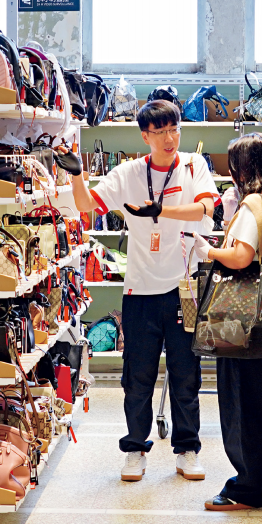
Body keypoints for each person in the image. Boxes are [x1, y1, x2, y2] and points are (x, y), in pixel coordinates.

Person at [65, 99, 219, 482]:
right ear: (145, 136)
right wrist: (76, 173)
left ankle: (187, 450)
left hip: (185, 289)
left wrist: (160, 211)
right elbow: (84, 204)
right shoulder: (129, 173)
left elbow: (205, 210)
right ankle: (135, 450)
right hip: (139, 292)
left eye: (174, 129)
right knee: (137, 379)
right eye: (160, 132)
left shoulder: (193, 165)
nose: (170, 139)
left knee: (186, 377)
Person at [192, 132, 262, 511]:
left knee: (242, 403)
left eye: (234, 165)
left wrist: (208, 250)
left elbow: (241, 257)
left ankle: (246, 487)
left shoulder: (252, 203)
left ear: (245, 168)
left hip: (242, 320)